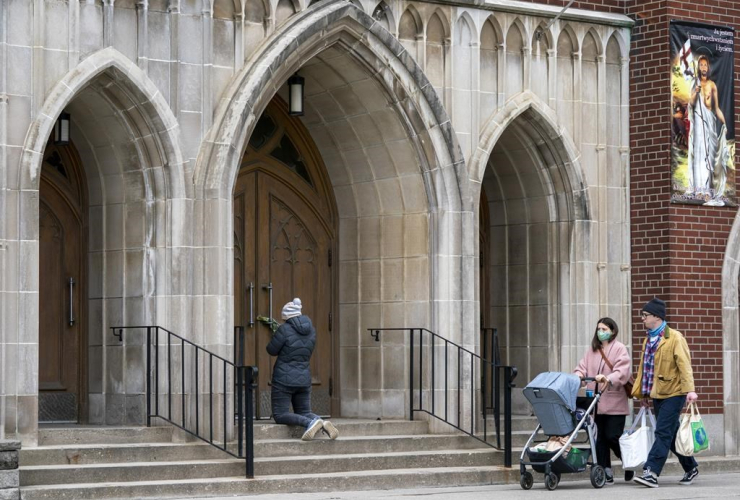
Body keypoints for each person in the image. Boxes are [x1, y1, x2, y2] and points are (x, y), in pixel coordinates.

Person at [631, 298, 698, 488]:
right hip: (657, 393)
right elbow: (645, 370)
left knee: (662, 432)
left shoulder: (675, 337)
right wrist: (644, 394)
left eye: (645, 315)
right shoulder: (648, 339)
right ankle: (691, 467)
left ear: (657, 317)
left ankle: (651, 471)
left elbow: (685, 366)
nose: (642, 319)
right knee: (671, 434)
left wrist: (690, 391)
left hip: (674, 393)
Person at [266, 298, 339, 441]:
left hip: (283, 378)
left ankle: (310, 423)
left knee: (280, 414)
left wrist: (276, 334)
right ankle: (321, 422)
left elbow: (271, 350)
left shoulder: (284, 329)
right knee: (305, 411)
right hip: (304, 377)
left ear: (287, 316)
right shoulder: (311, 330)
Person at [573, 317, 632, 484]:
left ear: (612, 331)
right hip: (595, 402)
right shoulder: (592, 350)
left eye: (605, 329)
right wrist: (578, 376)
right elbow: (582, 368)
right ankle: (605, 469)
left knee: (613, 436)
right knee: (599, 439)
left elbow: (623, 371)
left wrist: (608, 378)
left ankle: (628, 462)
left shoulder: (619, 349)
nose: (601, 332)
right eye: (599, 329)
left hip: (614, 401)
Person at [688, 55, 729, 205]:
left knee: (710, 157)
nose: (703, 67)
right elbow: (690, 104)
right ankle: (700, 189)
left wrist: (724, 124)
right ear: (698, 68)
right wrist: (695, 93)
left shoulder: (712, 85)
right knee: (699, 154)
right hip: (699, 121)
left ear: (708, 67)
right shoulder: (696, 83)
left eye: (705, 65)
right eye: (701, 65)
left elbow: (716, 108)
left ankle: (708, 189)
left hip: (710, 122)